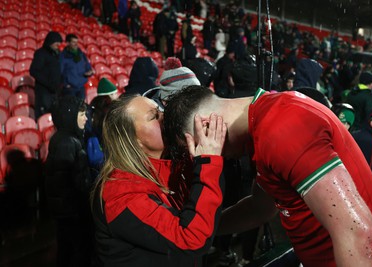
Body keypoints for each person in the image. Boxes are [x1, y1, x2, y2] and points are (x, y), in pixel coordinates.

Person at [163, 85, 372, 267]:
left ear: (205, 128)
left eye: (193, 147)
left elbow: (358, 233)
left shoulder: (282, 129)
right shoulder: (265, 122)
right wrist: (201, 229)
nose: (198, 155)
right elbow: (260, 208)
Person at [91, 94, 226, 266]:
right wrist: (209, 163)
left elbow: (204, 217)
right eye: (154, 116)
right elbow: (190, 237)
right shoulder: (118, 194)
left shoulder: (174, 163)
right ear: (134, 140)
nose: (165, 116)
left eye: (160, 110)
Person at [45, 96, 94, 267]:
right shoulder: (67, 142)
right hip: (72, 211)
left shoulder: (65, 139)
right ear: (70, 117)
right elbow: (65, 182)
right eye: (81, 114)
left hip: (69, 210)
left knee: (68, 251)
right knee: (74, 252)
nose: (86, 118)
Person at [29, 31, 63, 118]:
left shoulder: (57, 54)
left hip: (55, 91)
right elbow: (33, 71)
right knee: (43, 116)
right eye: (56, 43)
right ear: (50, 42)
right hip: (43, 92)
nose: (58, 45)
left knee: (54, 116)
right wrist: (48, 83)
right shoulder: (41, 53)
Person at [60, 34, 94, 99]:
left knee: (81, 107)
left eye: (77, 42)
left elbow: (88, 66)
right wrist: (65, 84)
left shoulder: (81, 54)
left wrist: (90, 72)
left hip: (81, 87)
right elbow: (60, 71)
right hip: (69, 88)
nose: (76, 44)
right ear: (67, 43)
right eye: (73, 42)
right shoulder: (63, 56)